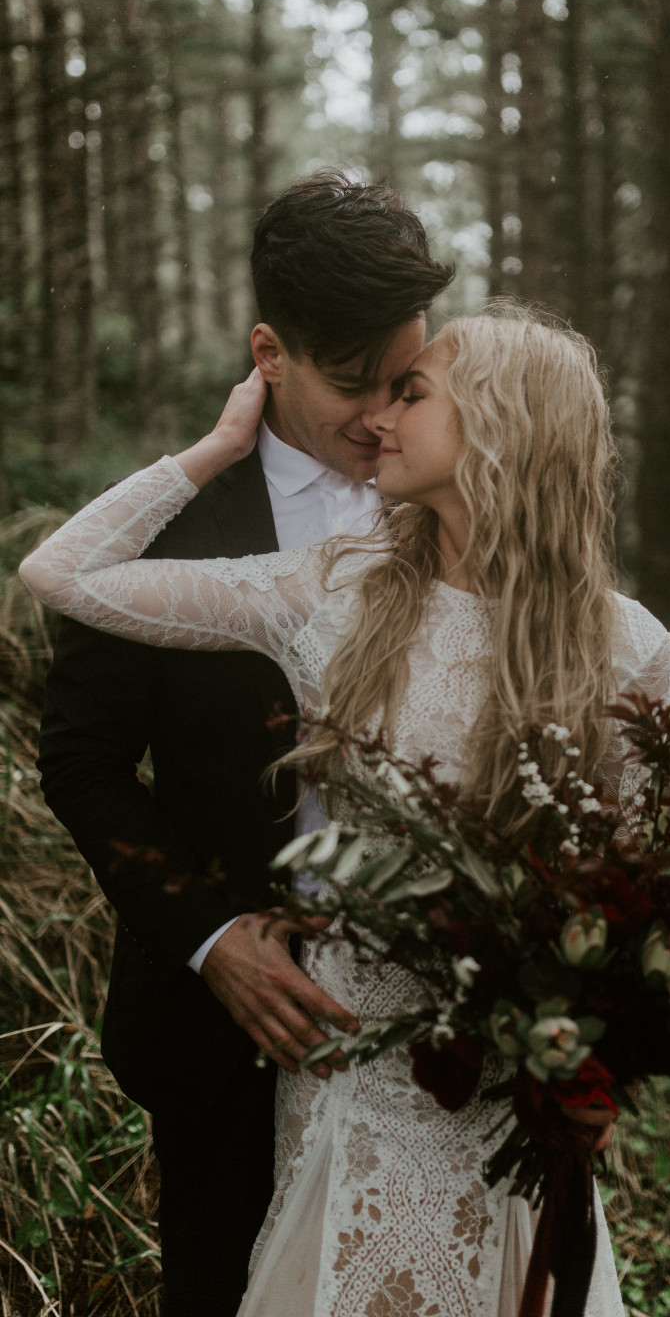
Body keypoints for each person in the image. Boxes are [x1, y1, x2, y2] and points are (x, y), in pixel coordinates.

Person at [22, 305, 670, 1316]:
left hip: (506, 1095)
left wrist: (596, 1058)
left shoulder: (627, 647)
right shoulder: (336, 592)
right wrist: (216, 449)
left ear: (498, 426)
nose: (381, 420)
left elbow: (624, 904)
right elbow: (61, 576)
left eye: (414, 394)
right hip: (344, 1077)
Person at [34, 170, 453, 1317]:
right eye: (353, 383)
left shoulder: (453, 496)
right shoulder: (166, 524)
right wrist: (211, 937)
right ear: (270, 352)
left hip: (431, 1035)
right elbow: (78, 763)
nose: (382, 416)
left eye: (405, 380)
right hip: (229, 1035)